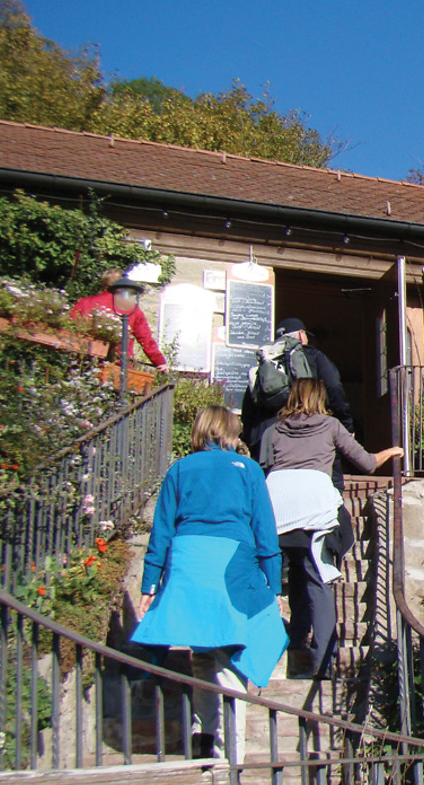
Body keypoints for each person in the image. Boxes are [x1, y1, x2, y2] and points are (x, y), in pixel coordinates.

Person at [131, 407, 286, 760]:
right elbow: (265, 531)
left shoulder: (179, 468)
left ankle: (203, 739)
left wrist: (149, 586)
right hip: (231, 566)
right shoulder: (247, 470)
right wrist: (274, 586)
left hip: (186, 564)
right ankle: (231, 759)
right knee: (232, 660)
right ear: (229, 433)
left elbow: (162, 532)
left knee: (202, 655)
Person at [259, 378, 402, 678]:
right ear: (320, 398)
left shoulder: (272, 430)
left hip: (278, 506)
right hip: (315, 506)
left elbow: (262, 468)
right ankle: (323, 661)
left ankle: (296, 639)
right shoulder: (330, 425)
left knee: (296, 571)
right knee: (319, 579)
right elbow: (366, 464)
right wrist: (391, 452)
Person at [241, 317, 353, 458]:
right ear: (301, 334)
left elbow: (249, 407)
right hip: (304, 435)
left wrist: (249, 437)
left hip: (264, 438)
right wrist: (345, 425)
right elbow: (334, 387)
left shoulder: (264, 363)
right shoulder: (313, 356)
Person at [69, 268, 168, 370]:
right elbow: (145, 339)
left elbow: (70, 328)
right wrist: (159, 361)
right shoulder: (131, 308)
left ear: (103, 284)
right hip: (118, 365)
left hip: (84, 361)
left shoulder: (85, 303)